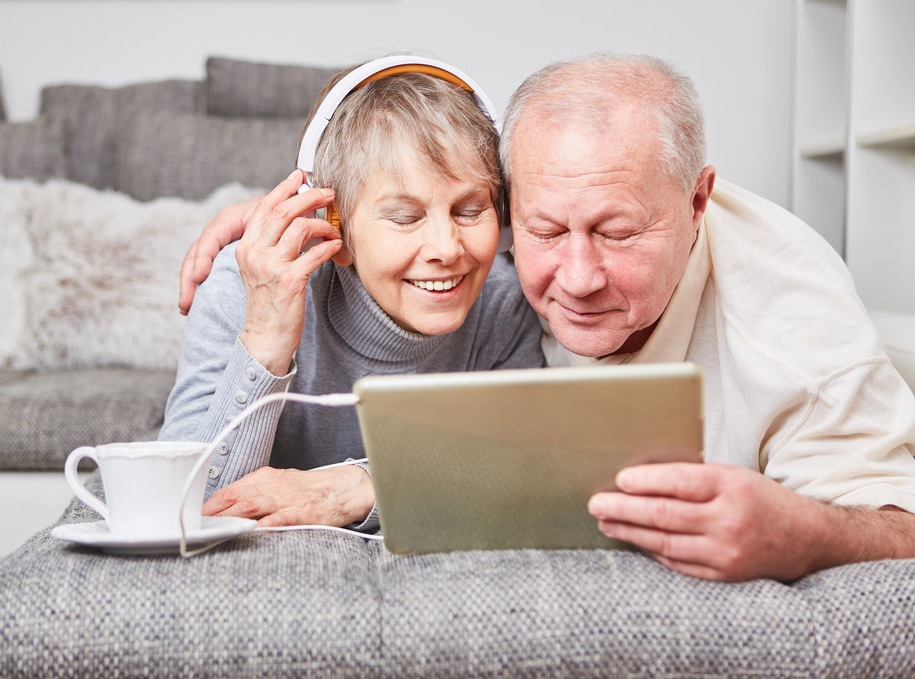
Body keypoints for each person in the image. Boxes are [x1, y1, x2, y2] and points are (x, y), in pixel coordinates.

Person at [177, 52, 915, 582]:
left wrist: (802, 532)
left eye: (619, 233)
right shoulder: (485, 249)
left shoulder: (790, 328)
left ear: (696, 203)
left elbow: (901, 523)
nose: (580, 279)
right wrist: (298, 263)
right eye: (545, 230)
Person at [159, 56, 545, 532]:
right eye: (405, 217)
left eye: (469, 211)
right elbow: (188, 505)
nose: (447, 249)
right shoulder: (246, 286)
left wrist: (369, 484)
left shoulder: (506, 304)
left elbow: (526, 473)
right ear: (332, 226)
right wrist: (267, 338)